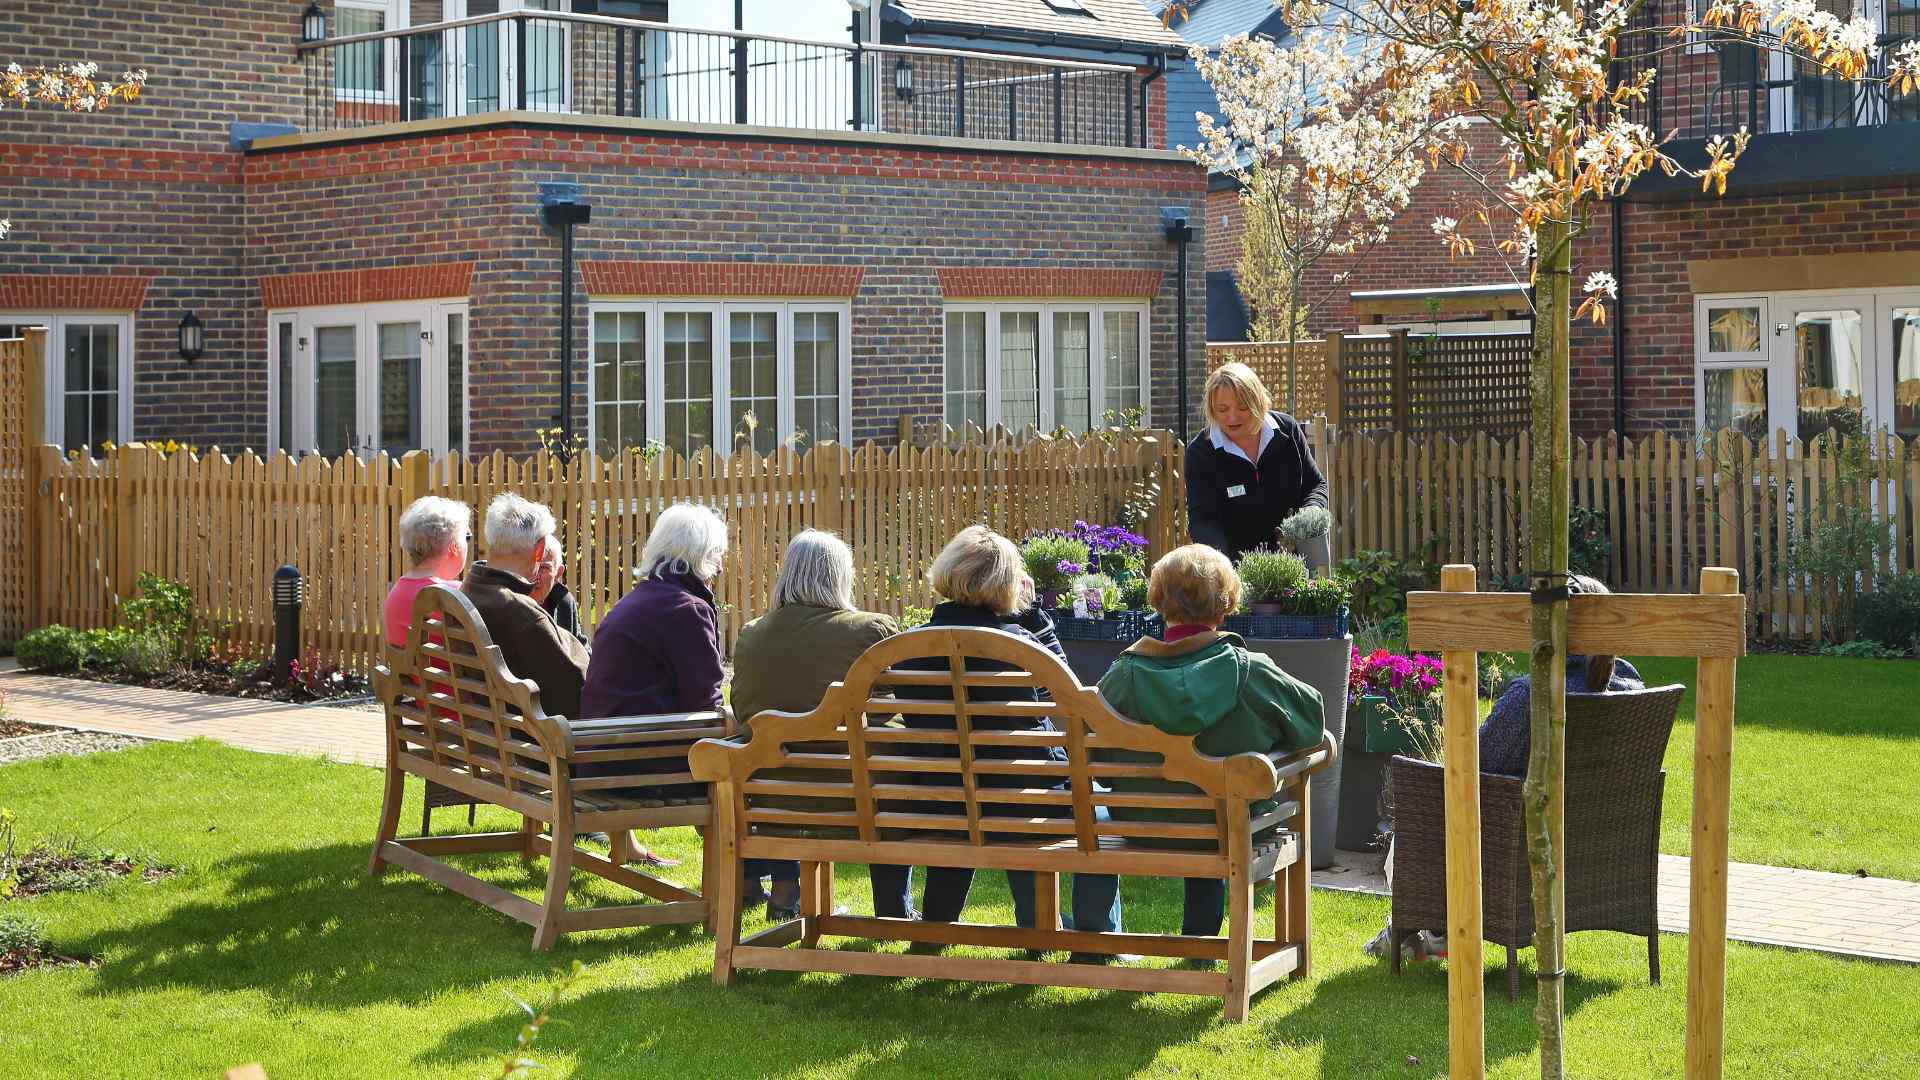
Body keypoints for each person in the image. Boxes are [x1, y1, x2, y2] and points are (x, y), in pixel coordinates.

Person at [868, 525, 1125, 953]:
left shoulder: (906, 647)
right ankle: (1096, 941)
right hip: (1021, 802)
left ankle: (935, 932)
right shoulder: (1020, 646)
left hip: (939, 800)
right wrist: (1035, 618)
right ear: (1009, 585)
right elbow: (1071, 712)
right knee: (1091, 799)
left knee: (976, 790)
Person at [1366, 574, 1644, 961]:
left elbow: (1471, 765)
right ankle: (1428, 934)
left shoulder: (1532, 697)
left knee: (1429, 797)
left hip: (1520, 848)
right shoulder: (1630, 685)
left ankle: (1425, 932)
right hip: (1596, 848)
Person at [1096, 544, 1324, 944]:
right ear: (1225, 606)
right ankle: (1202, 942)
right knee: (1222, 803)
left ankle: (1193, 942)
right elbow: (1311, 725)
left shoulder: (1122, 675)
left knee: (1202, 801)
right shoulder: (1253, 671)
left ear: (1160, 603)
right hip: (1228, 827)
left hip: (1142, 824)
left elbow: (1091, 751)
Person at [731, 530, 899, 919]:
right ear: (842, 576)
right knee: (886, 755)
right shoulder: (871, 630)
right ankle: (894, 911)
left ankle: (786, 893)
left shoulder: (752, 634)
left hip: (772, 801)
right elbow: (892, 709)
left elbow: (743, 710)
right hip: (858, 800)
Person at [1184, 361, 1329, 565]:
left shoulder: (1288, 431)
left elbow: (1315, 485)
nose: (1232, 417)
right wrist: (1223, 568)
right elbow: (1203, 521)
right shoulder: (1201, 453)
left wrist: (1311, 510)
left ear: (1258, 401)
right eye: (1222, 409)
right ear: (1212, 410)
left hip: (1298, 564)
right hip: (1236, 570)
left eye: (1242, 407)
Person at [463, 494, 588, 723]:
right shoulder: (521, 613)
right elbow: (577, 691)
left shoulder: (466, 593)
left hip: (487, 735)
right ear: (539, 550)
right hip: (528, 747)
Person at [383, 496, 470, 649]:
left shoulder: (396, 592)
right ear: (453, 547)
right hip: (450, 673)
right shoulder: (457, 593)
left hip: (410, 674)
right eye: (466, 537)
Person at [531, 533, 585, 646]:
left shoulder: (564, 602)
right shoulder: (507, 602)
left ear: (558, 573)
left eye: (543, 568)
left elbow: (582, 649)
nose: (535, 575)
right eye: (531, 566)